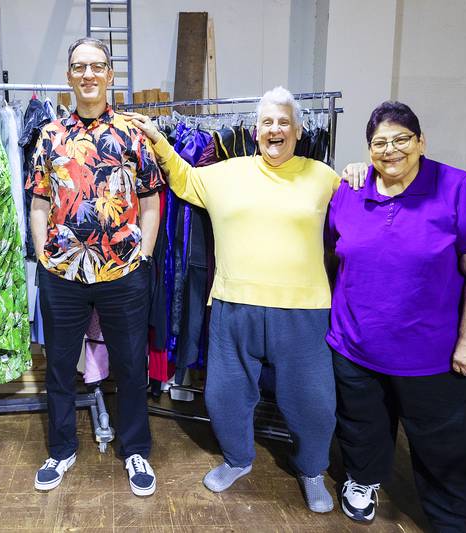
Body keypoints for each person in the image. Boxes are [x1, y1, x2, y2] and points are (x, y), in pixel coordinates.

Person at [128, 86, 339, 512]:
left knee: (312, 401)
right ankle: (237, 459)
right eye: (267, 122)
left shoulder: (324, 177)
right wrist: (158, 139)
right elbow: (184, 178)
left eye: (284, 122)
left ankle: (312, 470)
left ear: (299, 130)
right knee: (225, 395)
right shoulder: (227, 173)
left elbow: (359, 209)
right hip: (232, 304)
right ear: (255, 130)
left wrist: (357, 172)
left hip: (303, 311)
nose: (275, 129)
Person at [326, 101, 466, 530]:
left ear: (421, 141)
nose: (390, 150)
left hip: (434, 357)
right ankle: (363, 480)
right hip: (356, 348)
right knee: (362, 426)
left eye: (401, 139)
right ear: (368, 149)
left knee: (449, 446)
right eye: (379, 143)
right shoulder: (350, 190)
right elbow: (334, 253)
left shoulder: (456, 187)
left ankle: (455, 520)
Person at [27, 37, 164, 496]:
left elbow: (150, 200)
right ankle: (61, 449)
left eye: (97, 66)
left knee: (130, 365)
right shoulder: (49, 136)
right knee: (59, 366)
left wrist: (145, 257)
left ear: (110, 74)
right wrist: (43, 256)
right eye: (79, 67)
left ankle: (135, 449)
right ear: (69, 76)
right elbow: (39, 203)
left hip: (123, 271)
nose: (88, 74)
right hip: (62, 272)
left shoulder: (132, 134)